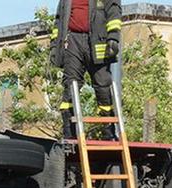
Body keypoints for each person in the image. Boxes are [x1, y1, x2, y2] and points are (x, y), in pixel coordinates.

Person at [50, 0, 122, 139]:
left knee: (103, 86)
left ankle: (108, 133)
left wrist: (113, 37)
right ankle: (69, 134)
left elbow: (114, 11)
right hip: (72, 41)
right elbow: (59, 19)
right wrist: (54, 45)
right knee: (70, 85)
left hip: (98, 41)